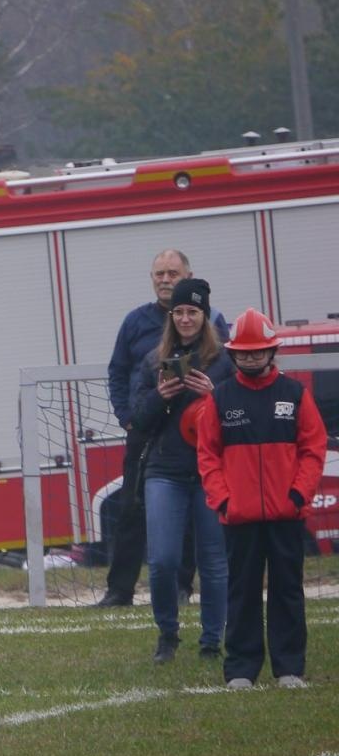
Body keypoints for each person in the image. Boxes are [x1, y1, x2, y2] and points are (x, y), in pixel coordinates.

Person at [195, 308, 327, 689]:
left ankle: (289, 668)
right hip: (239, 517)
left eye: (258, 351)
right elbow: (207, 455)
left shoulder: (295, 394)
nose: (251, 357)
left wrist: (298, 494)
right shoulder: (219, 399)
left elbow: (313, 448)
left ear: (273, 352)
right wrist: (224, 502)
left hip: (287, 514)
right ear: (233, 354)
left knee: (288, 589)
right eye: (244, 352)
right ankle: (240, 669)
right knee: (242, 591)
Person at [97, 249, 228, 606]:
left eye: (173, 272)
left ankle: (182, 587)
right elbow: (118, 371)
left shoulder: (214, 321)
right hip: (147, 429)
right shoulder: (135, 322)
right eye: (159, 274)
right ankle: (119, 590)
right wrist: (127, 415)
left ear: (188, 275)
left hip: (193, 438)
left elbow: (228, 374)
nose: (166, 279)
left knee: (187, 514)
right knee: (130, 508)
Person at [127, 278, 232, 664]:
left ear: (205, 316)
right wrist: (160, 396)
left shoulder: (224, 361)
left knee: (214, 561)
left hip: (210, 472)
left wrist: (213, 395)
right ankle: (167, 635)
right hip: (164, 471)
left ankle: (211, 642)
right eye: (180, 312)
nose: (186, 318)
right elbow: (138, 420)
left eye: (193, 311)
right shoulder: (155, 360)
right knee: (163, 560)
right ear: (172, 317)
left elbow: (239, 416)